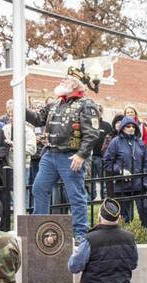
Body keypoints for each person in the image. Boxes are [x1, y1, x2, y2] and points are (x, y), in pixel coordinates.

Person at [26, 68, 100, 241]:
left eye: (66, 79)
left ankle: (80, 233)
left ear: (75, 84)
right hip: (50, 154)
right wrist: (20, 107)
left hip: (71, 156)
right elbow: (38, 119)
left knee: (75, 195)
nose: (62, 81)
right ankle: (40, 227)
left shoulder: (86, 105)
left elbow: (92, 133)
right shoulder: (55, 104)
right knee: (39, 188)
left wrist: (81, 155)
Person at [104, 116, 147, 234]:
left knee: (144, 211)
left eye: (133, 126)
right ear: (122, 128)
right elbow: (107, 162)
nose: (131, 129)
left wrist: (146, 177)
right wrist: (120, 171)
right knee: (125, 214)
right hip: (123, 185)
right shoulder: (115, 142)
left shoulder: (139, 143)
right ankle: (125, 236)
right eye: (128, 126)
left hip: (139, 184)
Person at [90, 105, 113, 200]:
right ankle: (91, 199)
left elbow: (110, 141)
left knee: (103, 180)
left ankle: (105, 200)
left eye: (99, 110)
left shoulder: (107, 125)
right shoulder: (88, 124)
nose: (97, 112)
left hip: (101, 157)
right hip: (89, 157)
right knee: (90, 181)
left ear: (101, 112)